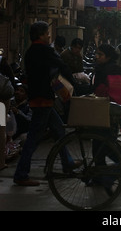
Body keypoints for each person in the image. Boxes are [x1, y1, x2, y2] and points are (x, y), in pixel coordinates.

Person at [13, 21, 80, 186]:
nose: (49, 36)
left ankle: (67, 162)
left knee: (58, 130)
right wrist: (74, 85)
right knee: (34, 138)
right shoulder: (45, 50)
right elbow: (61, 66)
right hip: (43, 100)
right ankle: (21, 174)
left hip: (38, 98)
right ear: (41, 35)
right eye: (47, 33)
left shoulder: (30, 52)